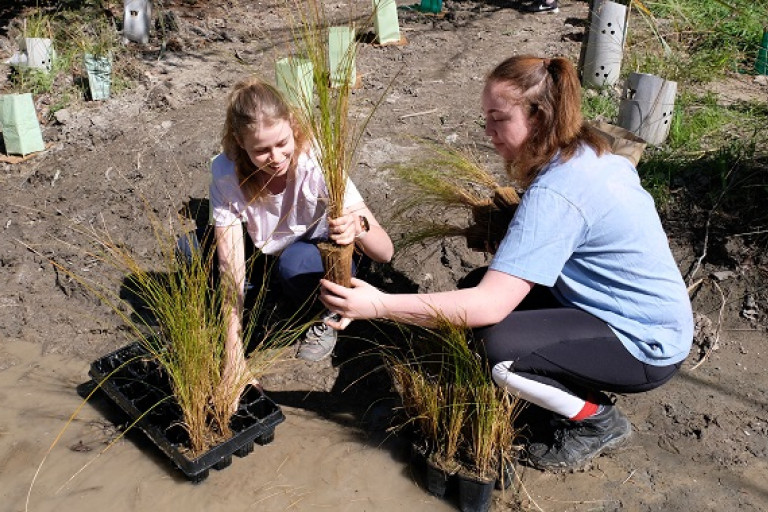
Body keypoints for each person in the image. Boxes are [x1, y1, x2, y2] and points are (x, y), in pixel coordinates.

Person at [319, 56, 693, 471]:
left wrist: (379, 306)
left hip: (644, 344)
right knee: (479, 283)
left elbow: (489, 305)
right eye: (486, 118)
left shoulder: (558, 192)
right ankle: (562, 383)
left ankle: (597, 421)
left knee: (496, 349)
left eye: (499, 119)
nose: (488, 132)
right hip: (637, 313)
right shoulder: (589, 150)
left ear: (540, 116)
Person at [210, 77, 394, 397]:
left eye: (282, 143)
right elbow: (230, 268)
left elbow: (385, 252)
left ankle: (322, 314)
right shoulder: (225, 173)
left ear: (292, 126)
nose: (277, 158)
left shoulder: (316, 160)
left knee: (295, 265)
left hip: (317, 253)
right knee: (193, 253)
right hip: (268, 247)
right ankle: (274, 296)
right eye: (262, 151)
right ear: (240, 142)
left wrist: (359, 226)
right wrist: (233, 356)